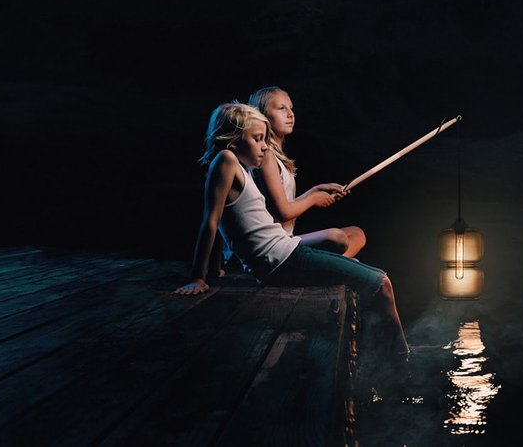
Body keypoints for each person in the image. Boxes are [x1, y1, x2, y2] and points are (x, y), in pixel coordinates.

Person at [174, 101, 410, 355]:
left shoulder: (236, 168)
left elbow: (222, 221)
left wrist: (215, 269)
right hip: (285, 260)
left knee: (363, 267)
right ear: (232, 141)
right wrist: (198, 277)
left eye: (264, 138)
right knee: (381, 283)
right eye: (256, 139)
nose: (264, 146)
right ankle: (403, 357)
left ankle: (386, 351)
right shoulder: (226, 159)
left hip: (287, 255)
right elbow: (210, 221)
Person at [247, 85, 367, 257]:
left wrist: (314, 191)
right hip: (275, 244)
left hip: (286, 238)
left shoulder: (276, 157)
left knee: (357, 234)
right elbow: (284, 213)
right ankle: (335, 269)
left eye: (291, 108)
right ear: (263, 115)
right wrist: (313, 199)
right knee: (337, 237)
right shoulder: (265, 157)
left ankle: (333, 267)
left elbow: (281, 206)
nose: (290, 114)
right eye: (281, 108)